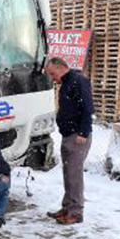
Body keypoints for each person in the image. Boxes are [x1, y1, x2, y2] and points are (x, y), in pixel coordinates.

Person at [44, 57, 93, 225]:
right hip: (68, 134)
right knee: (68, 174)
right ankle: (67, 207)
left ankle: (76, 212)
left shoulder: (79, 81)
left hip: (77, 136)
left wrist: (83, 132)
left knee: (74, 175)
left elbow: (87, 108)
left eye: (52, 73)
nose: (52, 78)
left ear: (61, 68)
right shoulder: (66, 83)